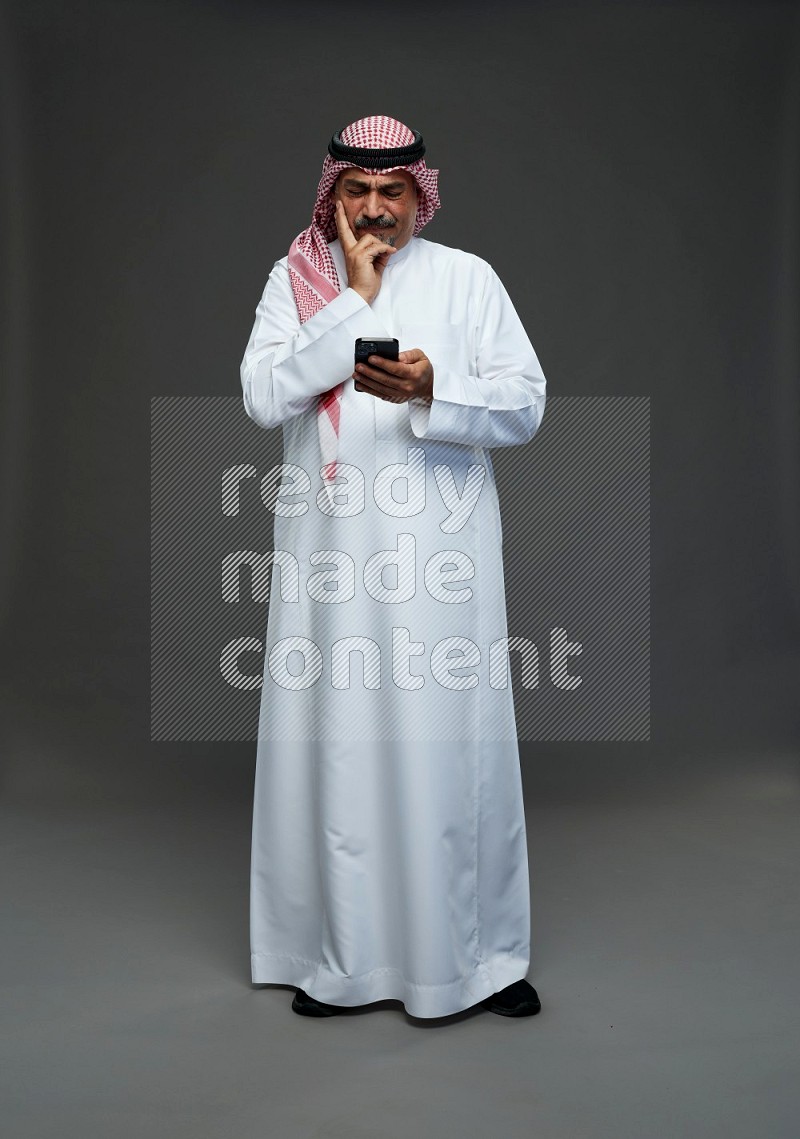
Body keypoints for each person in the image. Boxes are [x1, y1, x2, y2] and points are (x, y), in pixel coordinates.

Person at [240, 115, 546, 1019]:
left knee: (457, 744)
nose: (374, 211)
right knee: (338, 740)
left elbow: (526, 403)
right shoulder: (296, 280)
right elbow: (263, 396)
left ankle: (480, 959)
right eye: (356, 192)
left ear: (421, 194)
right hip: (330, 555)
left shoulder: (468, 278)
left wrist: (432, 391)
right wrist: (351, 301)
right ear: (332, 192)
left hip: (440, 552)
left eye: (393, 193)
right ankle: (343, 961)